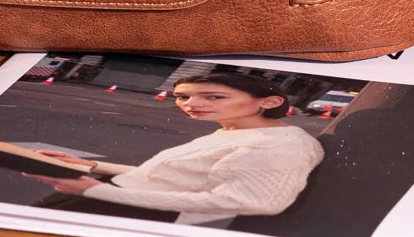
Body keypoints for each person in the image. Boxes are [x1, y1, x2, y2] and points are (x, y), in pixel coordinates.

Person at [23, 70, 325, 227]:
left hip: (123, 211)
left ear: (269, 101)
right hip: (108, 196)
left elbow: (251, 202)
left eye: (213, 97)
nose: (191, 105)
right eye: (182, 96)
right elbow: (180, 176)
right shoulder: (237, 130)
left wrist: (97, 191)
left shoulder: (279, 144)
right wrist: (91, 166)